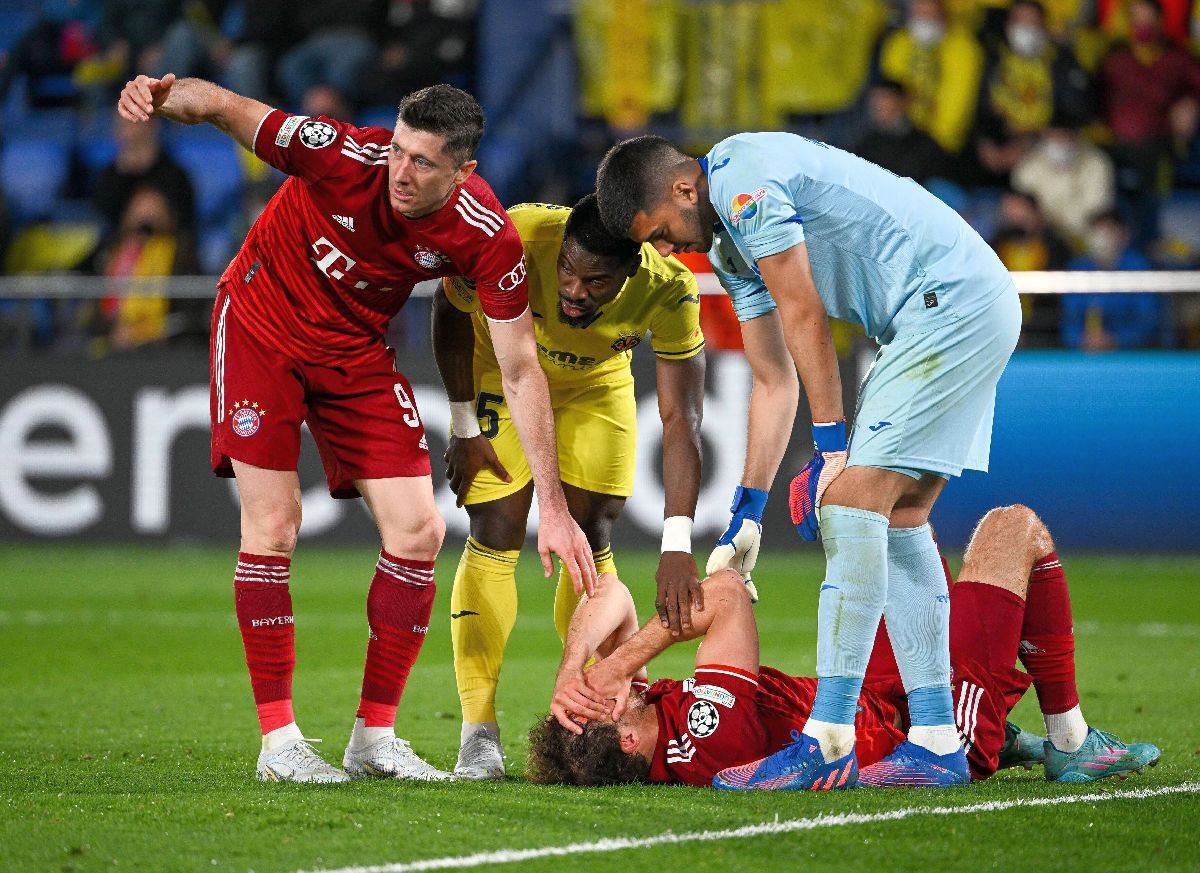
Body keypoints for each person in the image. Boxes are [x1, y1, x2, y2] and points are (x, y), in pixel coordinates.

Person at [115, 73, 596, 783]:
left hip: (353, 351)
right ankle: (279, 743)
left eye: (423, 162)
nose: (400, 171)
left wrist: (550, 506)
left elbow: (521, 367)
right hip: (260, 327)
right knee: (274, 523)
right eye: (399, 150)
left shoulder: (486, 233)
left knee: (419, 530)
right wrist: (160, 95)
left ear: (464, 172)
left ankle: (372, 738)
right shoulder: (339, 153)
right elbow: (221, 106)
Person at [594, 131, 1021, 790]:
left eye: (660, 233)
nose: (665, 249)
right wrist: (748, 511)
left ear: (683, 188)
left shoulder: (741, 183)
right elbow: (773, 379)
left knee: (848, 502)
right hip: (954, 306)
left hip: (946, 305)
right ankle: (937, 738)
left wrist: (831, 448)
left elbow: (804, 313)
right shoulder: (730, 244)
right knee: (901, 517)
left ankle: (826, 739)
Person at [528, 505, 1161, 789]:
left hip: (874, 690)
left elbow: (606, 591)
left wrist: (574, 672)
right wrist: (612, 665)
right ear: (630, 742)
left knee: (897, 542)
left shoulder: (643, 709)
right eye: (604, 706)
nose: (617, 690)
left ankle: (1017, 735)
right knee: (1013, 529)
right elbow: (723, 594)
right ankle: (1071, 745)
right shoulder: (704, 735)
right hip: (920, 728)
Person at [432, 194, 706, 779]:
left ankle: (600, 702)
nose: (575, 291)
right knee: (496, 522)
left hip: (594, 389)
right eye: (567, 272)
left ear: (633, 270)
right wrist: (461, 424)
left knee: (592, 530)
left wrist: (677, 543)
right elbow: (449, 306)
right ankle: (478, 733)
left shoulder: (671, 288)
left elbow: (683, 419)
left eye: (597, 281)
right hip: (500, 372)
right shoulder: (519, 234)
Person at [1061, 209, 1164, 350]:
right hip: (1084, 351)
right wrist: (1080, 338)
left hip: (1132, 353)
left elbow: (1148, 319)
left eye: (1108, 230)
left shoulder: (1139, 266)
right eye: (1096, 231)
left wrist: (1116, 339)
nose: (1101, 237)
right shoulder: (1078, 267)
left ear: (1124, 235)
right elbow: (1068, 318)